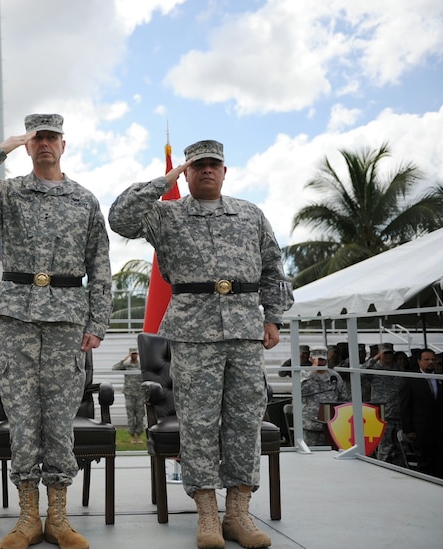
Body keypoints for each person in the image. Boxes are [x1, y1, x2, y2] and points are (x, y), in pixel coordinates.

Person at [109, 139, 293, 549]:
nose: (207, 170)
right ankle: (207, 513)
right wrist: (163, 180)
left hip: (245, 330)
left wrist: (273, 317)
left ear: (225, 171)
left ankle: (238, 512)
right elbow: (119, 218)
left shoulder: (250, 214)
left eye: (214, 165)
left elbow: (274, 268)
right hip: (193, 332)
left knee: (245, 420)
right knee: (199, 423)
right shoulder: (165, 214)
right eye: (198, 165)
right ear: (187, 172)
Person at [0, 113, 112, 549]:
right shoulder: (7, 192)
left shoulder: (84, 200)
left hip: (66, 319)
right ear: (28, 143)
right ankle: (27, 518)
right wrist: (1, 149)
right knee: (21, 416)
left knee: (59, 418)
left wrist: (97, 322)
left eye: (51, 137)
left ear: (63, 144)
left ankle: (58, 517)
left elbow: (99, 265)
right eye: (36, 138)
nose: (43, 144)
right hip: (17, 316)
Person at [399, 349, 443, 478]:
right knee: (425, 464)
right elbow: (404, 406)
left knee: (439, 462)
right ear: (419, 361)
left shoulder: (442, 378)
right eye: (427, 360)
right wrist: (408, 430)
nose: (431, 362)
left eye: (433, 359)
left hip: (440, 430)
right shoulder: (411, 380)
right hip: (421, 431)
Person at [362, 343, 404, 464]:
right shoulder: (374, 369)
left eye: (390, 353)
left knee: (399, 447)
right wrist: (374, 359)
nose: (388, 356)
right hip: (381, 414)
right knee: (384, 447)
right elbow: (360, 373)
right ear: (379, 354)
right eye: (385, 353)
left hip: (397, 413)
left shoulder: (398, 369)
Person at [300, 346, 350, 447]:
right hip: (311, 425)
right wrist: (312, 372)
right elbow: (300, 391)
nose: (320, 362)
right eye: (317, 359)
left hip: (332, 425)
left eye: (322, 359)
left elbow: (344, 399)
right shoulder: (304, 374)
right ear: (311, 359)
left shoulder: (334, 376)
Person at [112, 347, 145, 444]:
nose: (134, 355)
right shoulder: (126, 365)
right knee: (130, 416)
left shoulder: (141, 365)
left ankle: (139, 436)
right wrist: (124, 359)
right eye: (132, 354)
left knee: (140, 416)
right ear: (130, 354)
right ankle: (132, 436)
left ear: (138, 354)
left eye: (135, 353)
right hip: (129, 393)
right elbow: (114, 368)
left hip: (139, 393)